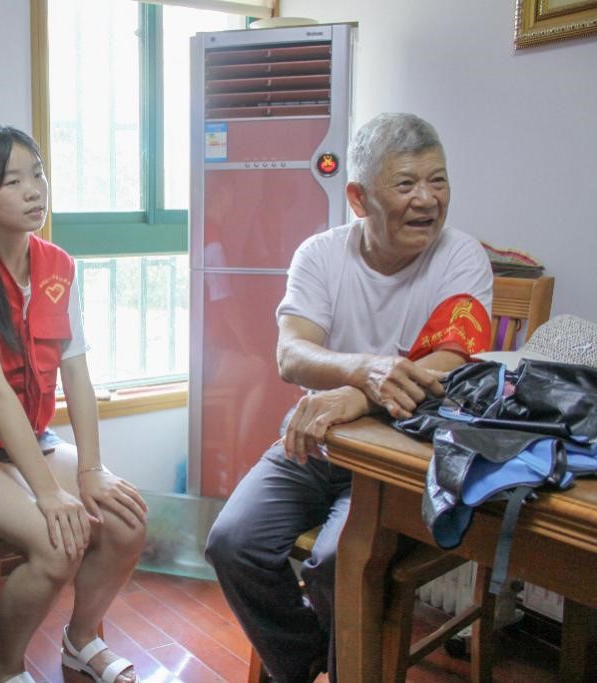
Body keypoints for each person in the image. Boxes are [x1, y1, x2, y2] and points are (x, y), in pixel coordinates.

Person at [205, 113, 494, 683]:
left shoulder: (461, 257)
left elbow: (453, 362)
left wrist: (359, 397)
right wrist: (365, 371)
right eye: (406, 184)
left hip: (400, 463)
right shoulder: (321, 254)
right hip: (315, 443)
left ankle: (342, 667)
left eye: (437, 181)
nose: (427, 199)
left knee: (338, 563)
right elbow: (291, 354)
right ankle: (310, 659)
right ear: (359, 198)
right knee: (232, 543)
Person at [0, 125, 149, 683]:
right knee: (57, 544)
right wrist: (49, 493)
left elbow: (76, 371)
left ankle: (80, 641)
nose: (34, 190)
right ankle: (7, 669)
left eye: (36, 173)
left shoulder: (57, 265)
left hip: (28, 440)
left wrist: (90, 470)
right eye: (11, 181)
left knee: (126, 521)